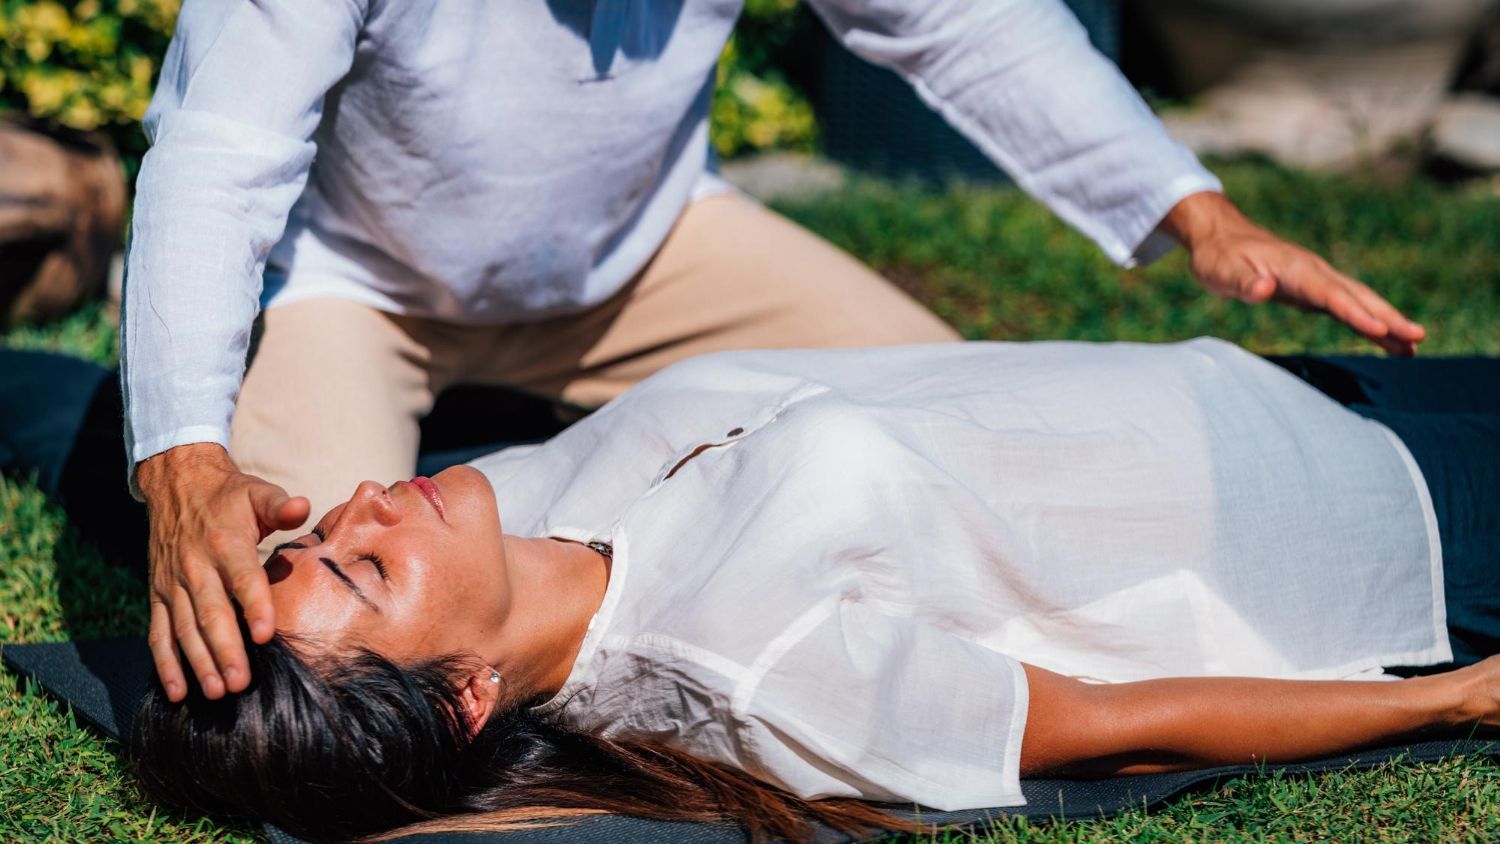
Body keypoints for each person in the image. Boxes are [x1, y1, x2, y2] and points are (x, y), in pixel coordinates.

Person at [125, 0, 1431, 708]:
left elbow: (963, 25)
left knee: (973, 455)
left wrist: (1190, 208)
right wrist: (180, 453)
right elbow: (219, 151)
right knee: (281, 647)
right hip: (361, 285)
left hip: (648, 251)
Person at [129, 338, 1498, 842]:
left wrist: (204, 508)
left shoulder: (517, 528)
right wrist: (1449, 701)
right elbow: (1110, 721)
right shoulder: (746, 664)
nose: (371, 503)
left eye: (315, 539)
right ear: (472, 697)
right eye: (364, 565)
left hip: (1272, 387)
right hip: (1383, 519)